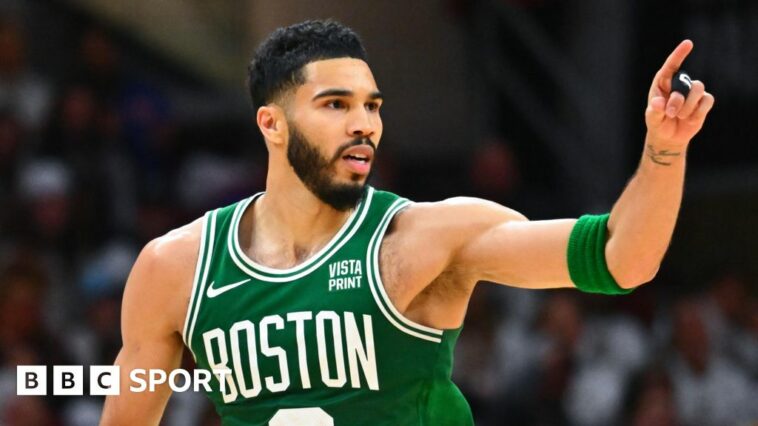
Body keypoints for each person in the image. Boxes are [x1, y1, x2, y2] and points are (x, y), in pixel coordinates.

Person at [100, 20, 714, 426]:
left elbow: (622, 259)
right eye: (336, 104)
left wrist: (664, 151)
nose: (364, 123)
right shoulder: (175, 268)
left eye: (372, 106)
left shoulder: (425, 237)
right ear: (271, 124)